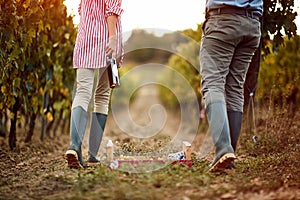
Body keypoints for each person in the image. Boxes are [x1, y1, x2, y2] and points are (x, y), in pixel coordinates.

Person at [199, 0, 263, 172]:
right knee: (235, 88)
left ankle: (223, 150)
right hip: (252, 25)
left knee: (213, 83)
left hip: (223, 20)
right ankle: (228, 157)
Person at [64, 0, 124, 169]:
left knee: (82, 92)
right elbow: (111, 9)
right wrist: (112, 37)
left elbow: (83, 11)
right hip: (106, 40)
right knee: (102, 96)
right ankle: (93, 155)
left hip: (85, 39)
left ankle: (74, 147)